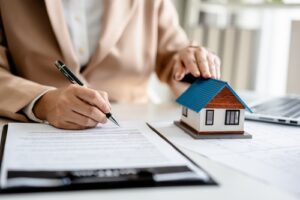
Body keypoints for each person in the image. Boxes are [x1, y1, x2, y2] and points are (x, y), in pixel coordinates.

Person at [0, 0, 220, 130]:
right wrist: (42, 102)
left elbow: (173, 55)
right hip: (34, 130)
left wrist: (191, 62)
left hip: (133, 128)